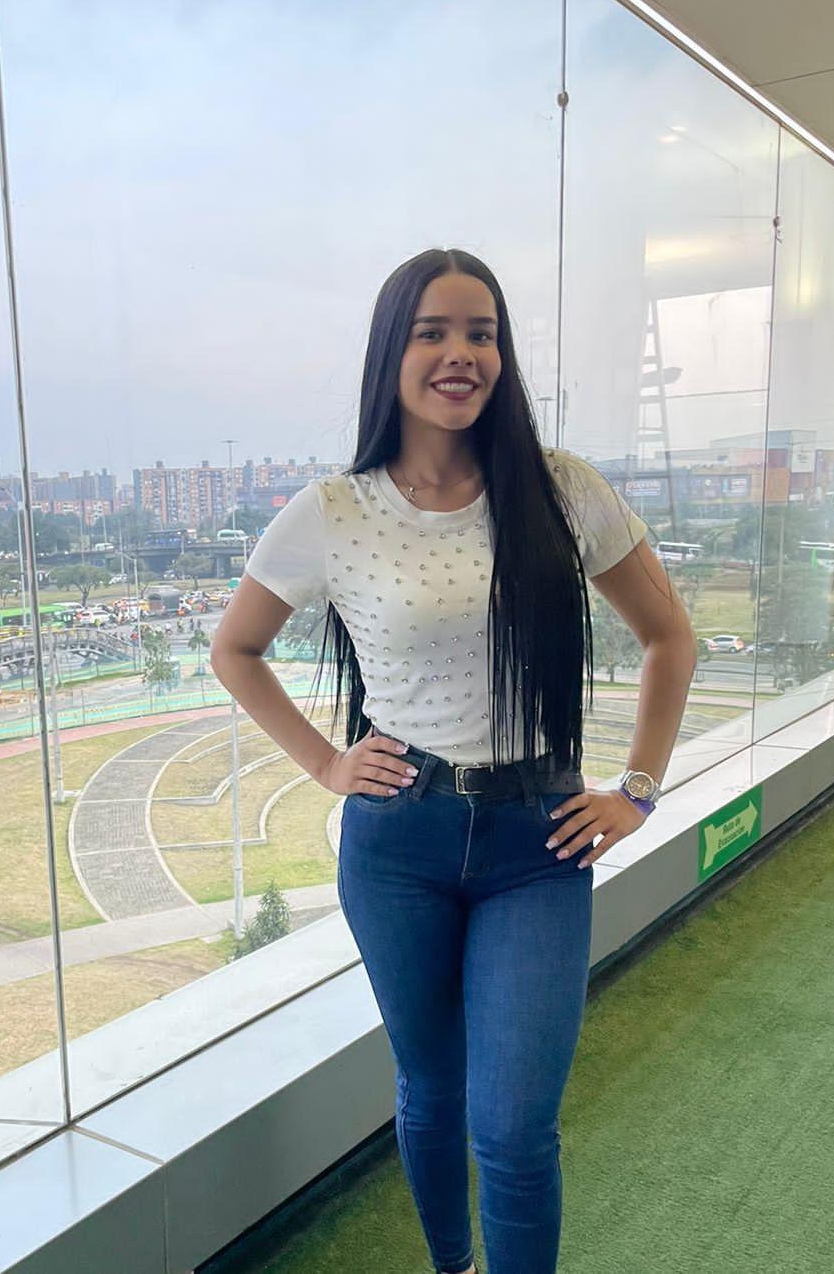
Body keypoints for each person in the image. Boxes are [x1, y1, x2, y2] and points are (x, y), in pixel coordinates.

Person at [210, 248, 697, 1274]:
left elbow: (669, 636)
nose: (460, 353)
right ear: (392, 352)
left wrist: (638, 790)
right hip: (400, 842)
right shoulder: (332, 511)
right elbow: (235, 650)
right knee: (430, 1092)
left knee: (513, 1125)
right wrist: (327, 766)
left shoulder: (563, 490)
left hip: (538, 842)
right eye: (432, 332)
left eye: (482, 333)